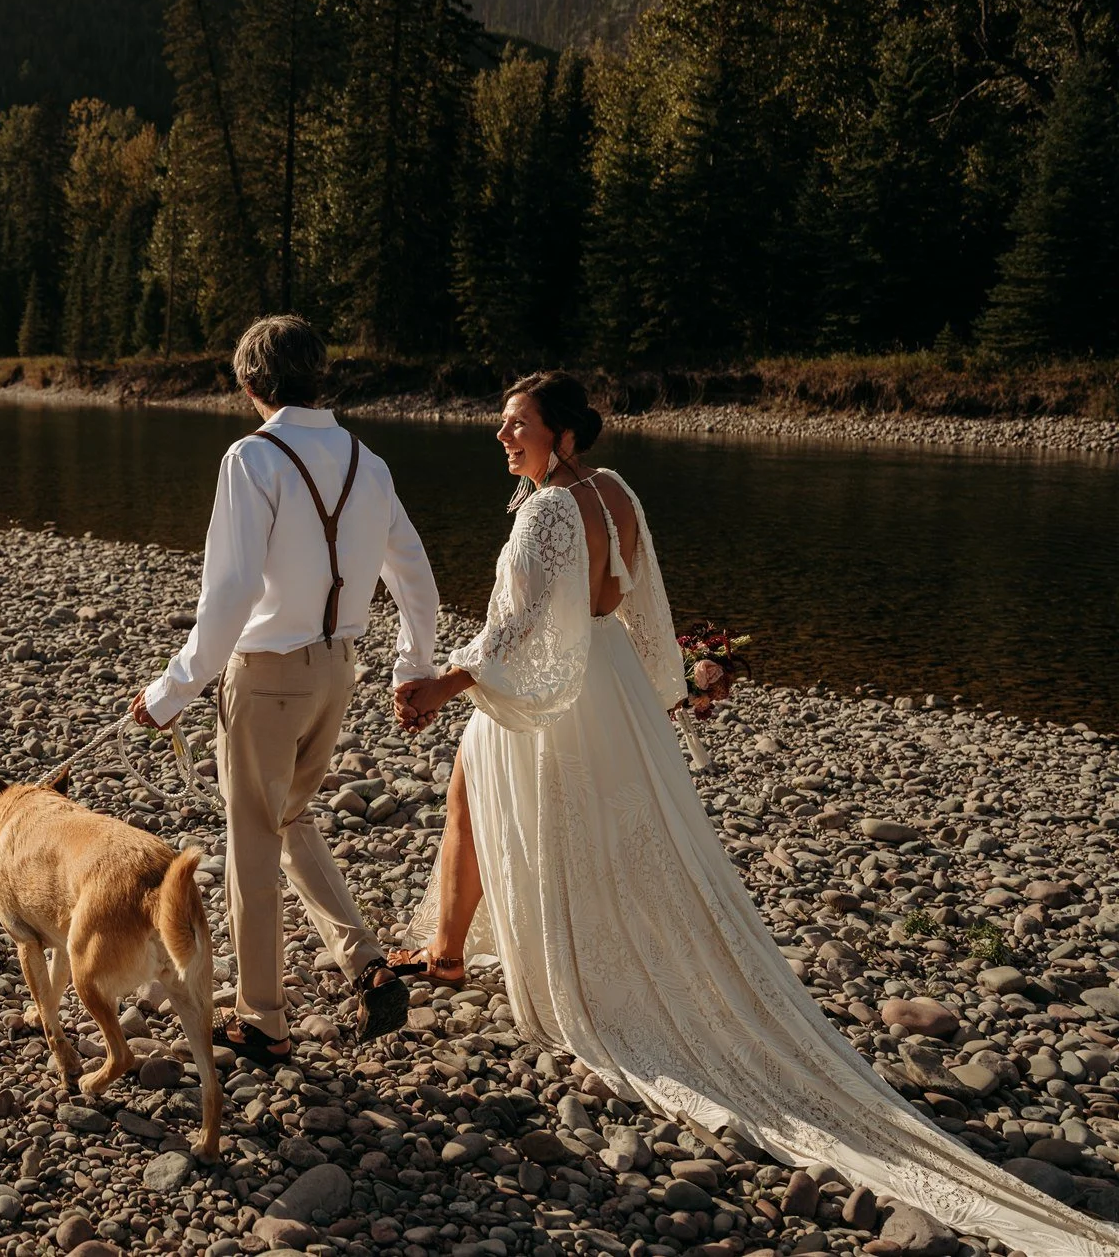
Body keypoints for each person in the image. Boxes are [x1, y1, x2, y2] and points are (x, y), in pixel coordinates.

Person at [391, 371, 1119, 1257]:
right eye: (502, 425)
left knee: (522, 793)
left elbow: (519, 631)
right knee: (596, 823)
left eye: (517, 426)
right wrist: (667, 685)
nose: (502, 438)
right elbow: (638, 598)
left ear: (564, 436)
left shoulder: (547, 511)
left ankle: (512, 957)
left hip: (569, 692)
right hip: (611, 681)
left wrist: (446, 680)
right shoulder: (615, 491)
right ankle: (452, 949)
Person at [130, 314, 441, 1063]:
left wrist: (171, 692)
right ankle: (365, 961)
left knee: (251, 848)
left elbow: (231, 591)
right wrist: (412, 666)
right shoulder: (368, 459)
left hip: (266, 677)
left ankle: (263, 1020)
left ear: (250, 385)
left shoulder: (251, 458)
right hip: (339, 669)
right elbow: (417, 576)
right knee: (289, 815)